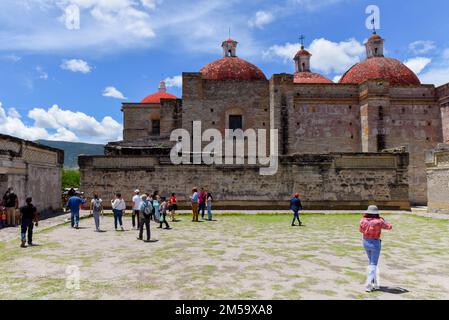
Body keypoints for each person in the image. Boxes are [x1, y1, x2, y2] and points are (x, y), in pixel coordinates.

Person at [359, 205, 393, 292]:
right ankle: (369, 283)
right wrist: (384, 220)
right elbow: (389, 226)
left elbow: (361, 230)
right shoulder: (379, 221)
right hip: (375, 243)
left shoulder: (363, 220)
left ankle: (374, 282)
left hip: (365, 241)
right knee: (373, 264)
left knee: (371, 262)